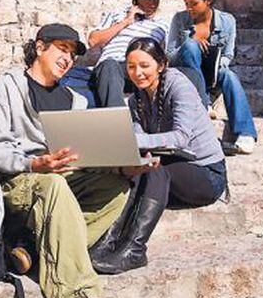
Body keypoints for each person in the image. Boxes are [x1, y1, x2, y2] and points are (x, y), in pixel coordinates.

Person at [0, 23, 136, 298]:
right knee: (54, 186)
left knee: (115, 187)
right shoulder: (5, 89)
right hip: (16, 179)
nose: (68, 59)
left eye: (73, 55)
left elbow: (80, 151)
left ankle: (34, 254)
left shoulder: (75, 99)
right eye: (62, 50)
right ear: (39, 47)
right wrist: (34, 163)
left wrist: (118, 162)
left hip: (61, 176)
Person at [90, 38, 227, 275]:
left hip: (206, 173)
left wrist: (133, 141)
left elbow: (180, 138)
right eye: (131, 67)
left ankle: (134, 250)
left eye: (144, 65)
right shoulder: (136, 100)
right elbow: (138, 138)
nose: (137, 73)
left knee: (155, 167)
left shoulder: (178, 86)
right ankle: (107, 241)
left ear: (161, 64)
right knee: (139, 166)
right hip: (169, 172)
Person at [167, 0, 257, 154]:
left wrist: (216, 68)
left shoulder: (227, 21)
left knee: (229, 75)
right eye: (186, 3)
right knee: (191, 46)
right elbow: (169, 55)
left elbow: (228, 55)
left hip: (211, 75)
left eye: (194, 3)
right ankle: (204, 102)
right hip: (186, 77)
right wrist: (190, 43)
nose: (189, 8)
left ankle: (245, 134)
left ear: (208, 0)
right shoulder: (179, 19)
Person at [88, 0, 168, 107]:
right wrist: (125, 22)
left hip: (143, 69)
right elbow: (93, 41)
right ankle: (117, 120)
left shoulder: (162, 25)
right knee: (109, 65)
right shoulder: (117, 15)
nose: (153, 4)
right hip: (114, 67)